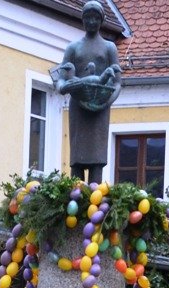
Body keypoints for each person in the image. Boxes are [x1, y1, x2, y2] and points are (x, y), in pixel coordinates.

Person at [51, 0, 122, 182]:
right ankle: (76, 193)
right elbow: (62, 77)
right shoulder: (73, 48)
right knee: (77, 159)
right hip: (79, 107)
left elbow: (117, 82)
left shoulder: (109, 47)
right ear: (83, 20)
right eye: (87, 18)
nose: (91, 22)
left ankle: (96, 198)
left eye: (95, 18)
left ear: (101, 20)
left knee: (97, 158)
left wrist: (106, 102)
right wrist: (62, 87)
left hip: (100, 108)